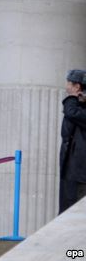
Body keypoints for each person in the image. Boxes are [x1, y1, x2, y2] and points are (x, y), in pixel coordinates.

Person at [60, 69, 86, 212]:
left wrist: (72, 98)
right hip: (72, 166)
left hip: (79, 170)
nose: (66, 85)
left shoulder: (75, 105)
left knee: (75, 208)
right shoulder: (78, 104)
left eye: (68, 82)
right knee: (68, 206)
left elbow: (71, 112)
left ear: (77, 86)